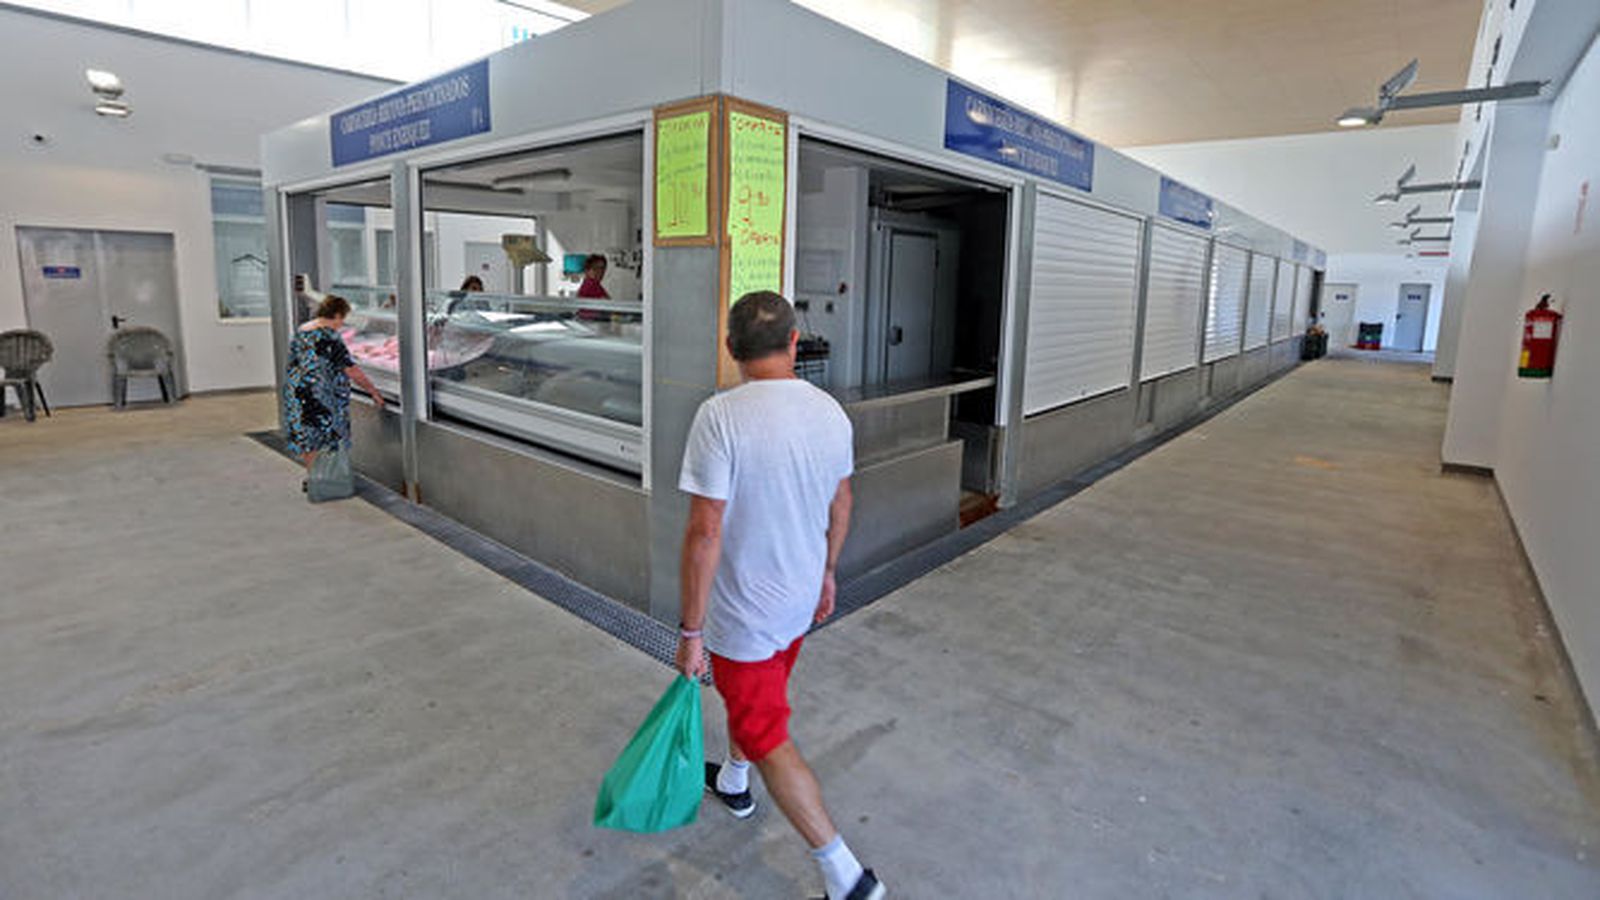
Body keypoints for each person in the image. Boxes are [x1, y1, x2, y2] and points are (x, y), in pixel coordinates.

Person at [677, 291, 884, 900]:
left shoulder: (719, 417)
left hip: (744, 617)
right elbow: (840, 502)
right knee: (758, 706)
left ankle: (845, 877)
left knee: (766, 731)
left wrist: (691, 633)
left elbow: (705, 531)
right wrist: (827, 573)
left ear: (731, 350)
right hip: (798, 602)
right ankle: (735, 782)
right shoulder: (829, 413)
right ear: (796, 343)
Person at [283, 295, 384, 480]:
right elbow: (351, 370)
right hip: (320, 395)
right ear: (336, 315)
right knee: (326, 438)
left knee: (308, 437)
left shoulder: (303, 329)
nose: (342, 324)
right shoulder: (329, 336)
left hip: (298, 391)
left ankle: (314, 477)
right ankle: (326, 480)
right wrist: (373, 391)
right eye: (342, 319)